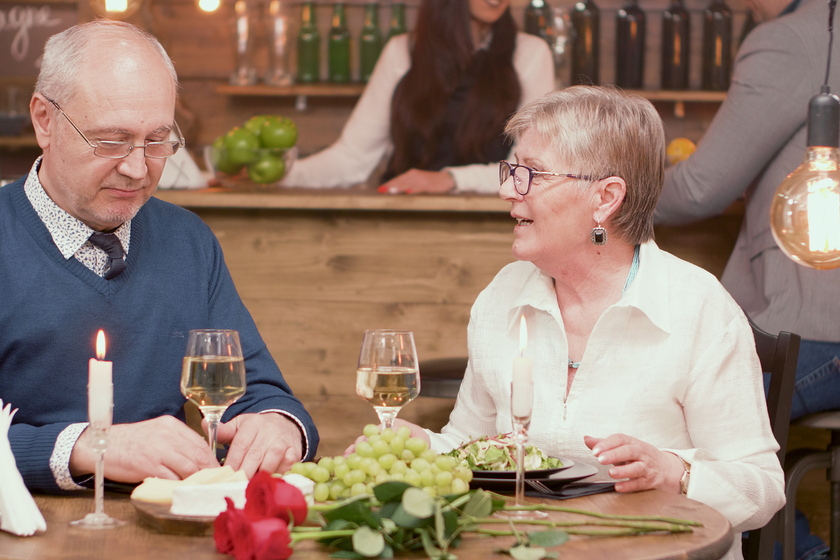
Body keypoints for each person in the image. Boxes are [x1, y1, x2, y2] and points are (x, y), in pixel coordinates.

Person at [395, 87, 785, 560]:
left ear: (605, 198)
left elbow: (763, 490)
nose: (506, 190)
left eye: (530, 174)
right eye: (512, 171)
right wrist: (419, 449)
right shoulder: (503, 295)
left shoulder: (697, 308)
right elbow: (469, 447)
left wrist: (676, 473)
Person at [0, 20, 318, 493]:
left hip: (166, 525)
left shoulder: (187, 240)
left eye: (157, 140)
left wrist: (278, 426)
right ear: (45, 121)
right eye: (110, 140)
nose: (135, 168)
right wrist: (94, 447)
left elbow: (257, 391)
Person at [655, 1, 839, 557]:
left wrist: (601, 184)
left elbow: (700, 187)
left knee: (678, 422)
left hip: (821, 330)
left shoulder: (793, 41)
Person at [282, 0, 554, 194]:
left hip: (485, 226)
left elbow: (530, 170)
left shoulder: (531, 53)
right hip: (401, 218)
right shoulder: (400, 51)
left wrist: (451, 179)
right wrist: (282, 174)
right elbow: (351, 159)